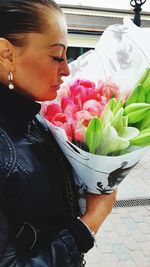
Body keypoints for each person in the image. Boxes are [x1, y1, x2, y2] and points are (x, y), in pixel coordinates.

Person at [0, 1, 116, 266]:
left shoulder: (32, 114)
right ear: (6, 54)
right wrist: (90, 224)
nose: (66, 69)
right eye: (56, 56)